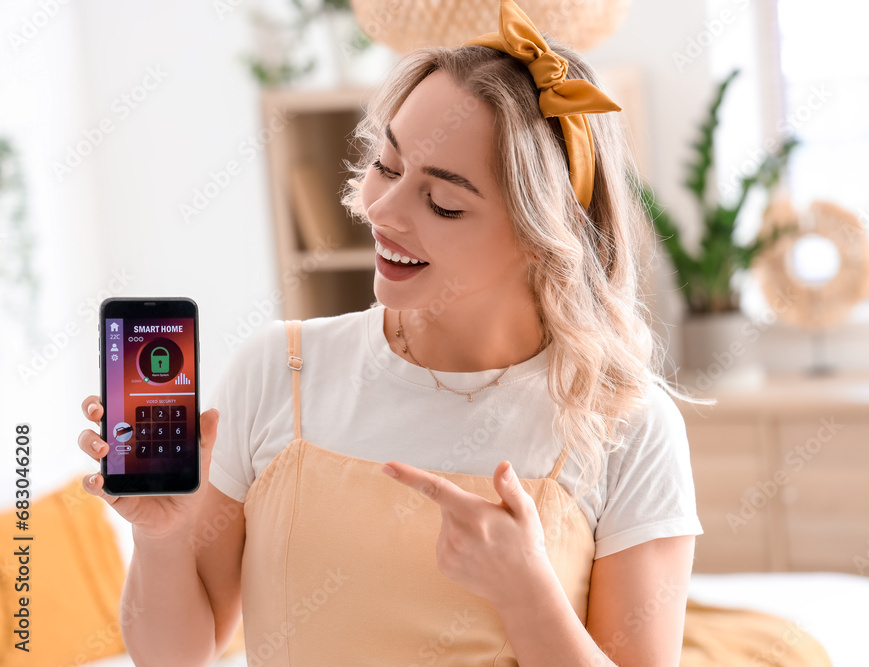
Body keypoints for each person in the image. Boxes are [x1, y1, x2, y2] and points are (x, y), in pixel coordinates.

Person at [77, 0, 713, 664]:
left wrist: (527, 592)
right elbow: (174, 654)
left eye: (442, 201)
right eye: (386, 164)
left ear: (540, 237)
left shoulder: (627, 426)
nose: (382, 209)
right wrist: (161, 539)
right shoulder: (278, 370)